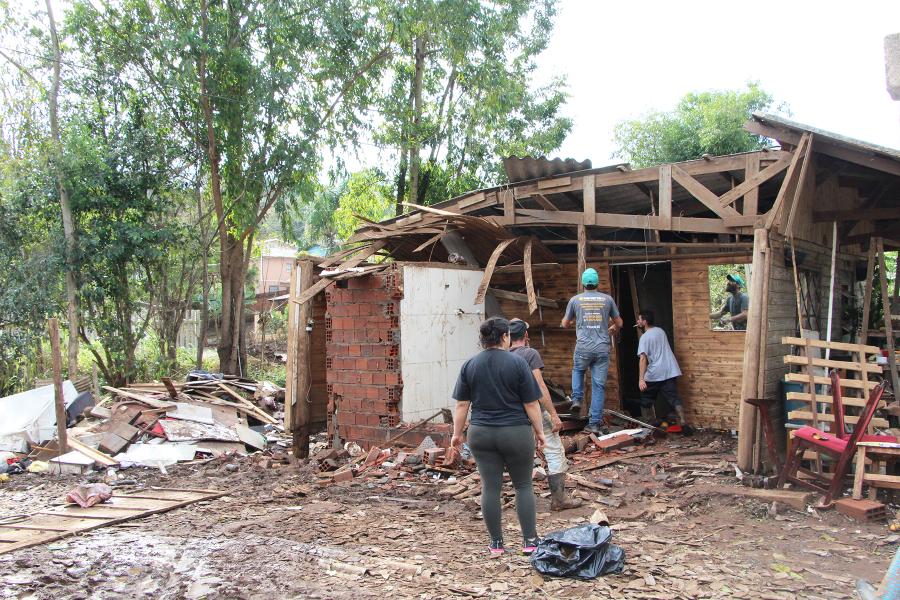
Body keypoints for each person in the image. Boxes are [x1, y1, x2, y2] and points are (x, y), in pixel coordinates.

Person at [451, 317, 547, 557]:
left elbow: (462, 404)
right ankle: (529, 542)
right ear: (505, 337)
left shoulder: (470, 365)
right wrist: (540, 431)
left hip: (481, 433)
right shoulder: (517, 363)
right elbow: (531, 403)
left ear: (483, 339)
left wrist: (456, 434)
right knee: (523, 485)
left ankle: (496, 544)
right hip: (515, 432)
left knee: (490, 487)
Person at [508, 318, 582, 511]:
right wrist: (554, 415)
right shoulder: (530, 354)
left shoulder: (503, 357)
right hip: (535, 413)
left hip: (513, 417)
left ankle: (521, 501)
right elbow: (540, 386)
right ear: (525, 335)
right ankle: (559, 500)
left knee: (519, 457)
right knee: (555, 452)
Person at [561, 268, 623, 435]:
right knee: (598, 387)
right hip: (602, 349)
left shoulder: (575, 300)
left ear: (583, 283)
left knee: (578, 370)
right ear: (597, 283)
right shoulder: (607, 300)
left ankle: (577, 399)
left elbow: (565, 324)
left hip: (583, 347)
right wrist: (612, 328)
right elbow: (620, 323)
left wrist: (575, 321)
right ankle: (594, 423)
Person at [636, 309, 685, 425]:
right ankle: (683, 422)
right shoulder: (660, 331)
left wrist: (641, 379)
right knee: (674, 398)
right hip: (670, 370)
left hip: (655, 372)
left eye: (639, 319)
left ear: (645, 322)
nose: (637, 321)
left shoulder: (644, 337)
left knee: (645, 398)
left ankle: (647, 424)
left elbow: (643, 359)